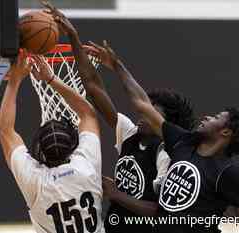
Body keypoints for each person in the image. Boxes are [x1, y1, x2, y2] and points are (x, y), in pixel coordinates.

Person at [44, 6, 195, 233]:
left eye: (153, 112)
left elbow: (161, 211)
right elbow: (93, 88)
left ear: (165, 123)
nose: (143, 114)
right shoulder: (129, 133)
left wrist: (116, 194)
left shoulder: (166, 154)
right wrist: (73, 36)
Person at [88, 42, 239, 233]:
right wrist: (117, 66)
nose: (208, 117)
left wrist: (116, 195)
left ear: (226, 132)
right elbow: (141, 103)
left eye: (216, 117)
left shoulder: (228, 172)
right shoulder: (182, 142)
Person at [0, 49, 104, 233]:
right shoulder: (86, 167)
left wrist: (15, 80)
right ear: (73, 144)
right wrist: (51, 78)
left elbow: (5, 130)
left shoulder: (36, 182)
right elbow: (88, 115)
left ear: (39, 151)